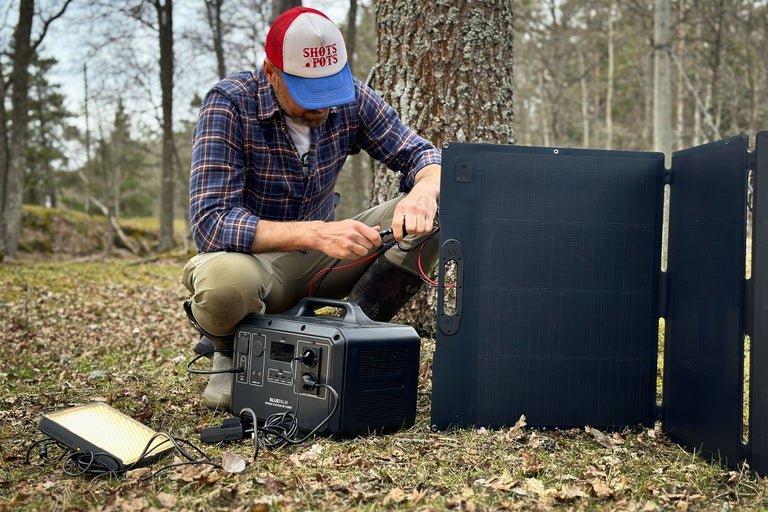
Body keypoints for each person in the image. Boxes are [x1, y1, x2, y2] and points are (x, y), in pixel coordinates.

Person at [182, 6, 441, 410]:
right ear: (271, 72)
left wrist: (424, 190)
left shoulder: (350, 98)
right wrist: (315, 232)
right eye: (308, 94)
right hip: (252, 264)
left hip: (321, 263)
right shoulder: (229, 104)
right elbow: (211, 222)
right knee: (222, 285)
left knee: (443, 207)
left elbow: (421, 154)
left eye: (330, 91)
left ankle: (347, 332)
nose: (322, 107)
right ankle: (231, 351)